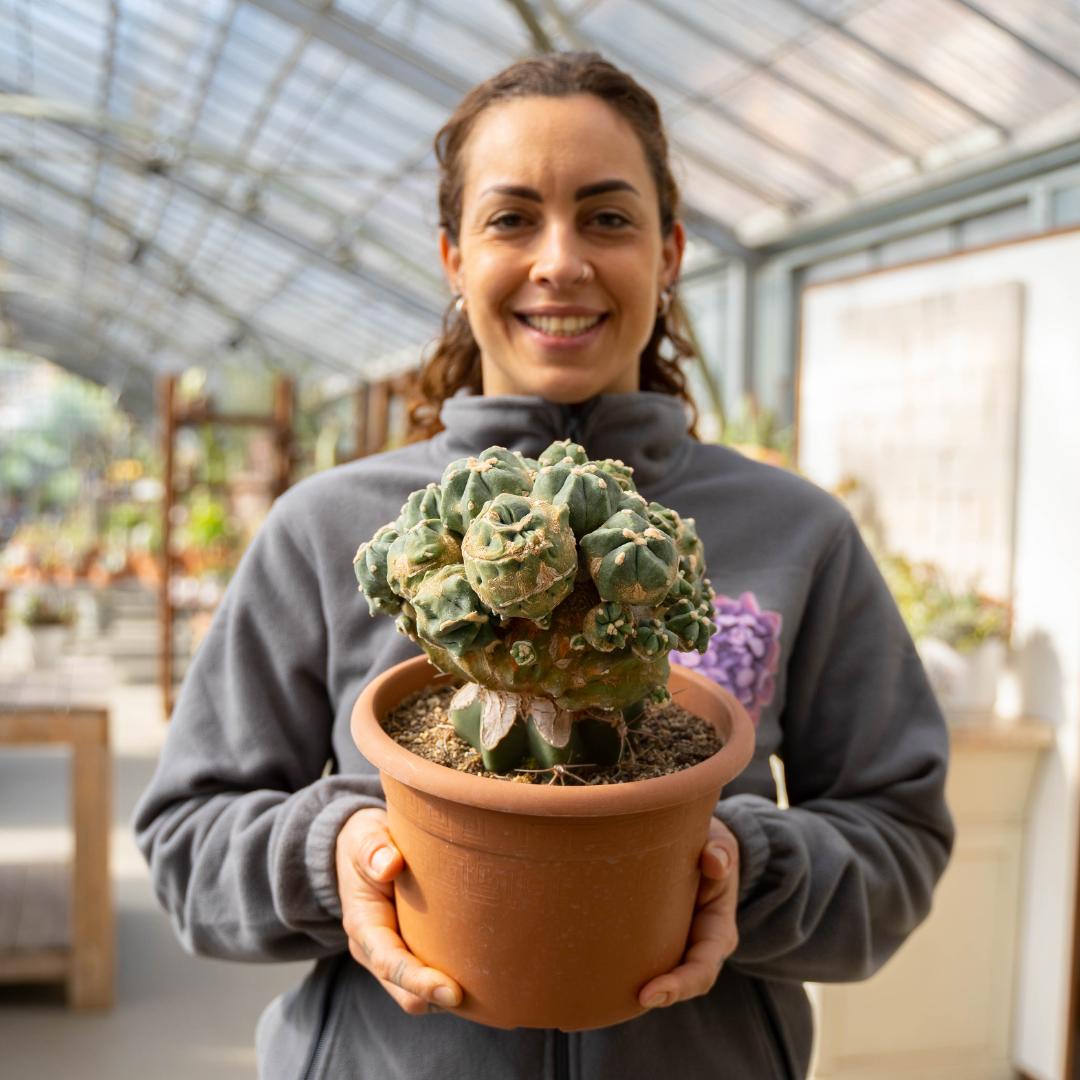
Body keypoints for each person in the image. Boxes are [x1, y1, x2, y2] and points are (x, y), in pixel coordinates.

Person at [134, 52, 954, 1079]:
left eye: (608, 218)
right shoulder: (326, 529)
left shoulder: (798, 534)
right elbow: (186, 840)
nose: (560, 261)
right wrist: (329, 858)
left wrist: (750, 870)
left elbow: (900, 834)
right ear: (452, 257)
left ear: (670, 252)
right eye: (512, 219)